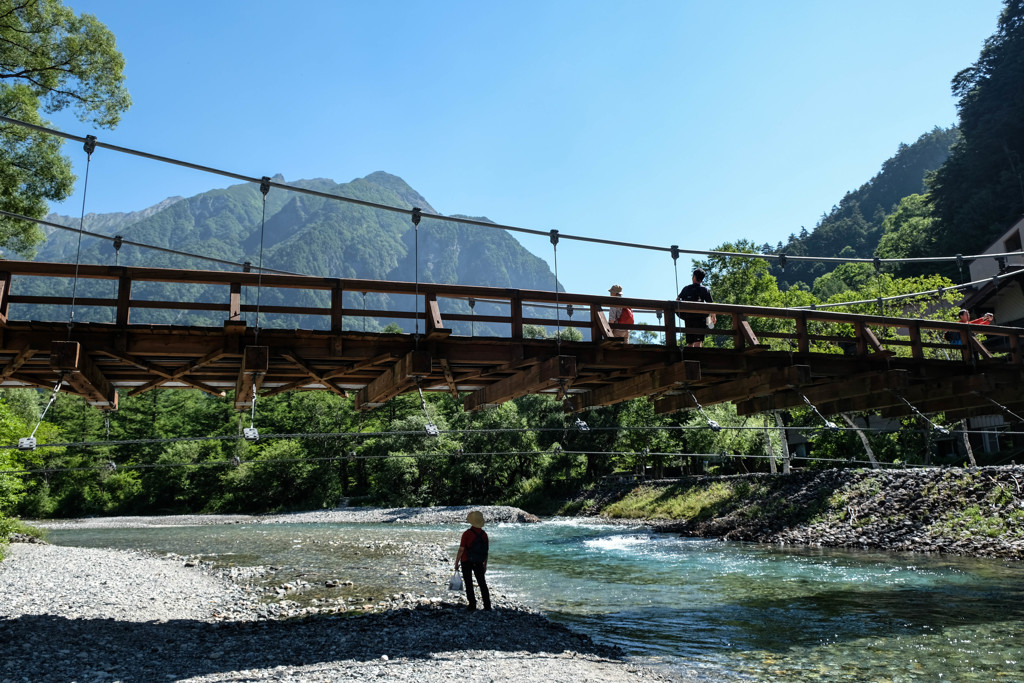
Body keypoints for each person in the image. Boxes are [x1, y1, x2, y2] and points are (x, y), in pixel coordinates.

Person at [454, 510, 490, 611]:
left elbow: (461, 549)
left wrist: (456, 562)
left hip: (466, 561)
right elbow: (486, 551)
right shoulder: (484, 535)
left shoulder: (466, 533)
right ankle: (487, 606)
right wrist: (485, 564)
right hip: (479, 561)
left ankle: (472, 605)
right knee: (482, 583)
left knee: (469, 583)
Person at [677, 268, 716, 347]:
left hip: (689, 318)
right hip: (701, 319)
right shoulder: (705, 290)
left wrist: (682, 315)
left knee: (690, 342)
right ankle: (699, 358)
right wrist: (713, 316)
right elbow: (711, 305)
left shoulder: (686, 289)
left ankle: (690, 357)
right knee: (699, 341)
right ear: (702, 279)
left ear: (694, 277)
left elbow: (677, 301)